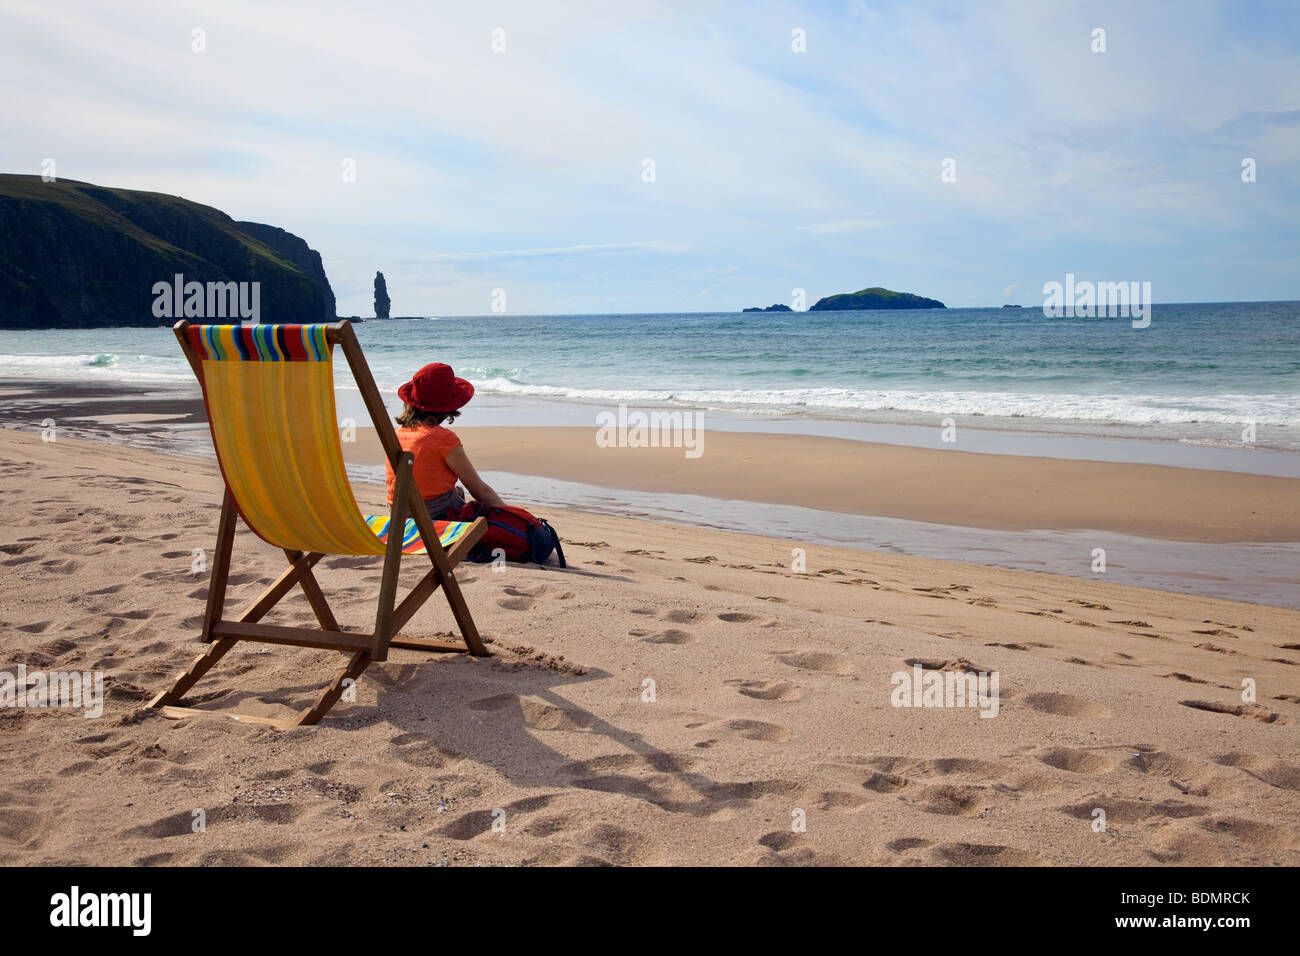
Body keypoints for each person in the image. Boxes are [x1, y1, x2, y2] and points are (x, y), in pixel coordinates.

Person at [385, 362, 507, 520]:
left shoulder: (396, 436)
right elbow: (480, 491)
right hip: (432, 519)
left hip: (399, 516)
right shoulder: (443, 439)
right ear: (448, 407)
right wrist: (514, 515)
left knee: (457, 491)